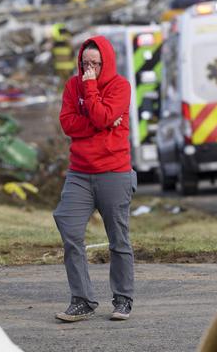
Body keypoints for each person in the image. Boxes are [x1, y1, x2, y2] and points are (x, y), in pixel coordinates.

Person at [53, 35, 136, 322]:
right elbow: (68, 123)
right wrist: (98, 123)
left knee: (118, 239)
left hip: (114, 171)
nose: (89, 69)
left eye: (95, 64)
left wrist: (92, 95)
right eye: (85, 63)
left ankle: (123, 299)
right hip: (80, 172)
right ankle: (82, 299)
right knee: (69, 227)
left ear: (106, 62)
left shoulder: (120, 87)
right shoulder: (71, 86)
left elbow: (103, 116)